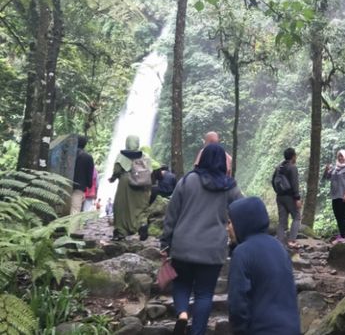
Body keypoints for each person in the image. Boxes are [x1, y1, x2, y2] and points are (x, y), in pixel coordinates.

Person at [161, 144, 242, 335]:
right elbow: (242, 210)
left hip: (183, 246)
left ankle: (182, 313)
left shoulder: (187, 181)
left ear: (202, 158)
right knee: (204, 294)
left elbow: (171, 214)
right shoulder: (229, 186)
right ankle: (197, 332)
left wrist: (165, 241)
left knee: (181, 283)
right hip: (212, 249)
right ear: (223, 161)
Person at [227, 197, 300, 334]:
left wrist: (238, 331)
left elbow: (237, 303)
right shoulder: (279, 247)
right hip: (290, 328)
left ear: (242, 222)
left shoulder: (242, 253)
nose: (227, 228)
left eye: (230, 222)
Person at [109, 135, 152, 241]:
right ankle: (141, 225)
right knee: (141, 207)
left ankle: (120, 231)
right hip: (141, 185)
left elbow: (117, 171)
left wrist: (114, 177)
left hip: (125, 184)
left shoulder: (121, 156)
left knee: (121, 208)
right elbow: (150, 171)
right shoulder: (145, 156)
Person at [323, 149, 345, 243]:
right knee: (337, 214)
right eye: (339, 156)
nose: (340, 158)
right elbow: (326, 177)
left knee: (342, 214)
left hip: (344, 195)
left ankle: (343, 236)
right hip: (335, 195)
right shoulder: (335, 168)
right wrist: (326, 170)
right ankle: (341, 234)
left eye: (342, 156)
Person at [274, 148, 302, 248]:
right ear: (293, 156)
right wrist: (297, 198)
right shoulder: (292, 167)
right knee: (297, 217)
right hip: (290, 197)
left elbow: (273, 181)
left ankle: (280, 243)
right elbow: (295, 184)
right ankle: (292, 241)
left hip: (279, 197)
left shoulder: (279, 167)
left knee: (282, 220)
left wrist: (278, 192)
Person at [70, 135, 94, 215]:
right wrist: (89, 185)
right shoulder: (88, 157)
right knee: (75, 210)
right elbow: (89, 174)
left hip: (65, 185)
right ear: (85, 144)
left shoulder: (68, 154)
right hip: (79, 187)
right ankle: (72, 228)